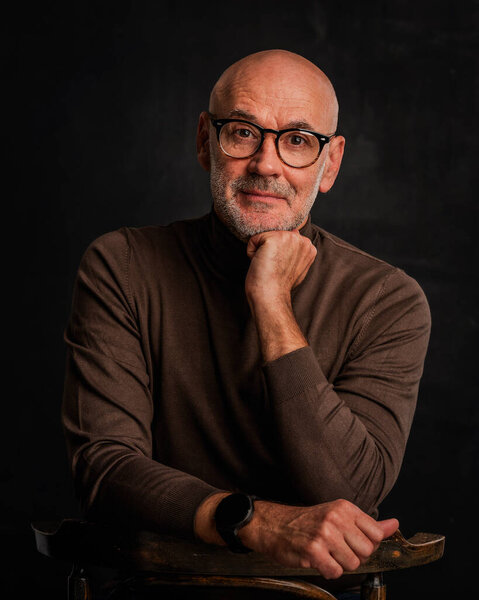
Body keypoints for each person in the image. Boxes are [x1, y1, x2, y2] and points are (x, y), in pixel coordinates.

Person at [61, 49, 431, 598]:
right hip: (153, 590)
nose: (266, 163)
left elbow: (351, 491)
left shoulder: (388, 299)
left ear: (330, 165)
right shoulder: (123, 265)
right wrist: (252, 521)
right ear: (205, 142)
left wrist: (270, 301)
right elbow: (104, 468)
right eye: (242, 132)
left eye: (299, 141)